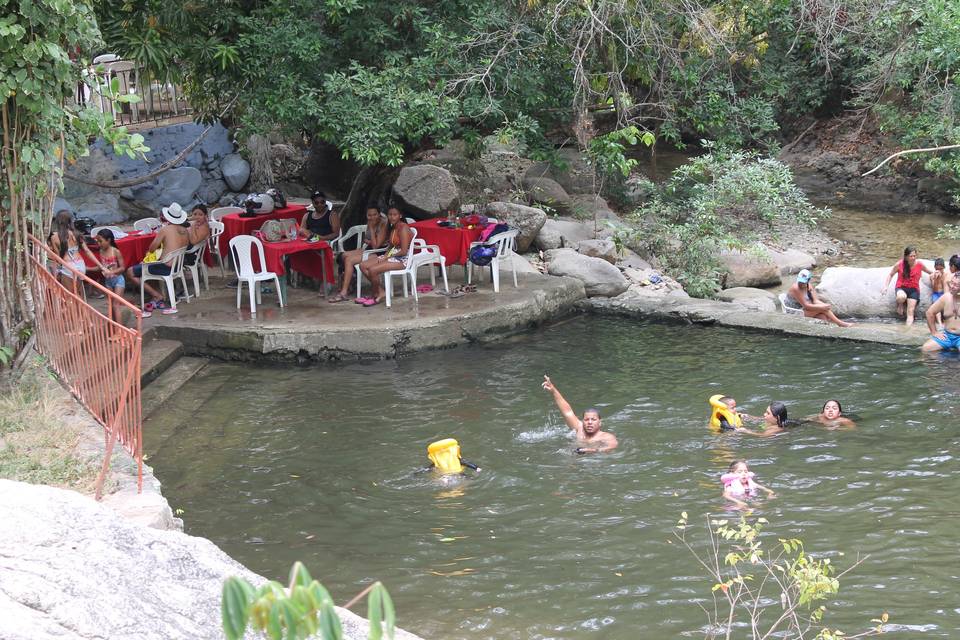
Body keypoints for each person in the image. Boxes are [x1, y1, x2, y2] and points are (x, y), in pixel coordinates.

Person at [125, 202, 191, 316]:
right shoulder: (185, 231)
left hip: (165, 268)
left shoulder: (165, 230)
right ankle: (159, 294)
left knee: (130, 271)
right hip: (177, 266)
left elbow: (151, 249)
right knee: (148, 265)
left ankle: (156, 295)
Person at [541, 375, 618, 453]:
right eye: (587, 419)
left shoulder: (606, 437)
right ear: (583, 421)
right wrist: (553, 390)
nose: (590, 422)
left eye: (593, 419)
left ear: (600, 422)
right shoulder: (579, 428)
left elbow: (612, 446)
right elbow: (567, 412)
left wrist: (593, 450)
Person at [327, 205, 387, 303]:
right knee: (343, 255)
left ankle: (344, 292)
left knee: (349, 260)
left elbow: (376, 245)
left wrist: (371, 230)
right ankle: (351, 281)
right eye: (369, 215)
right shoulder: (370, 221)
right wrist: (370, 239)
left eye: (375, 215)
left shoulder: (384, 224)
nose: (372, 217)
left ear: (379, 214)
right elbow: (367, 239)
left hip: (379, 251)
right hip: (369, 247)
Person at [356, 206, 413, 307]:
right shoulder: (393, 227)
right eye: (390, 215)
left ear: (400, 216)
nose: (392, 217)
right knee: (363, 265)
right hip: (392, 255)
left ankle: (374, 295)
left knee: (373, 270)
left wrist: (387, 257)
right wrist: (386, 255)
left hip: (403, 259)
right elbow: (391, 245)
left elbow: (404, 251)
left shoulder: (403, 228)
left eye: (395, 215)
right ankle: (380, 291)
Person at [881, 246, 932, 326]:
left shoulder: (919, 264)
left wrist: (937, 273)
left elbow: (929, 271)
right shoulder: (899, 264)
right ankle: (900, 304)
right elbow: (890, 275)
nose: (913, 258)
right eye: (911, 256)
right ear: (906, 256)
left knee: (910, 312)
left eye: (914, 256)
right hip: (901, 287)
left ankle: (907, 329)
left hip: (914, 290)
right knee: (901, 297)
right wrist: (886, 286)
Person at [47, 210, 99, 287]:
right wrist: (100, 266)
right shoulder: (77, 234)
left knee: (70, 295)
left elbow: (58, 257)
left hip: (68, 265)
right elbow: (87, 251)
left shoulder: (54, 237)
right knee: (78, 292)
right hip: (80, 264)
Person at [785, 269, 852, 328]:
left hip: (804, 309)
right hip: (795, 312)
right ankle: (840, 323)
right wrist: (822, 308)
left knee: (823, 317)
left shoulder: (809, 286)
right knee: (824, 310)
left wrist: (824, 305)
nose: (801, 284)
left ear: (808, 280)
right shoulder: (795, 288)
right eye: (800, 281)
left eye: (803, 282)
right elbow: (806, 305)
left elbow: (815, 300)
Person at [92, 229, 126, 322]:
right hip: (108, 282)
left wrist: (111, 272)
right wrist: (88, 269)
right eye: (97, 241)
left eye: (101, 241)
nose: (99, 243)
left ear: (109, 240)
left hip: (118, 280)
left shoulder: (115, 251)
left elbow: (123, 268)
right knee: (111, 305)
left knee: (116, 304)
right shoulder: (101, 251)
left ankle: (119, 331)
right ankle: (113, 326)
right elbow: (102, 267)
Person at [921, 272, 960, 352]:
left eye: (956, 285)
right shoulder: (946, 297)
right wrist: (934, 332)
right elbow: (929, 313)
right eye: (951, 283)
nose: (952, 287)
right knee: (925, 349)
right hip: (947, 335)